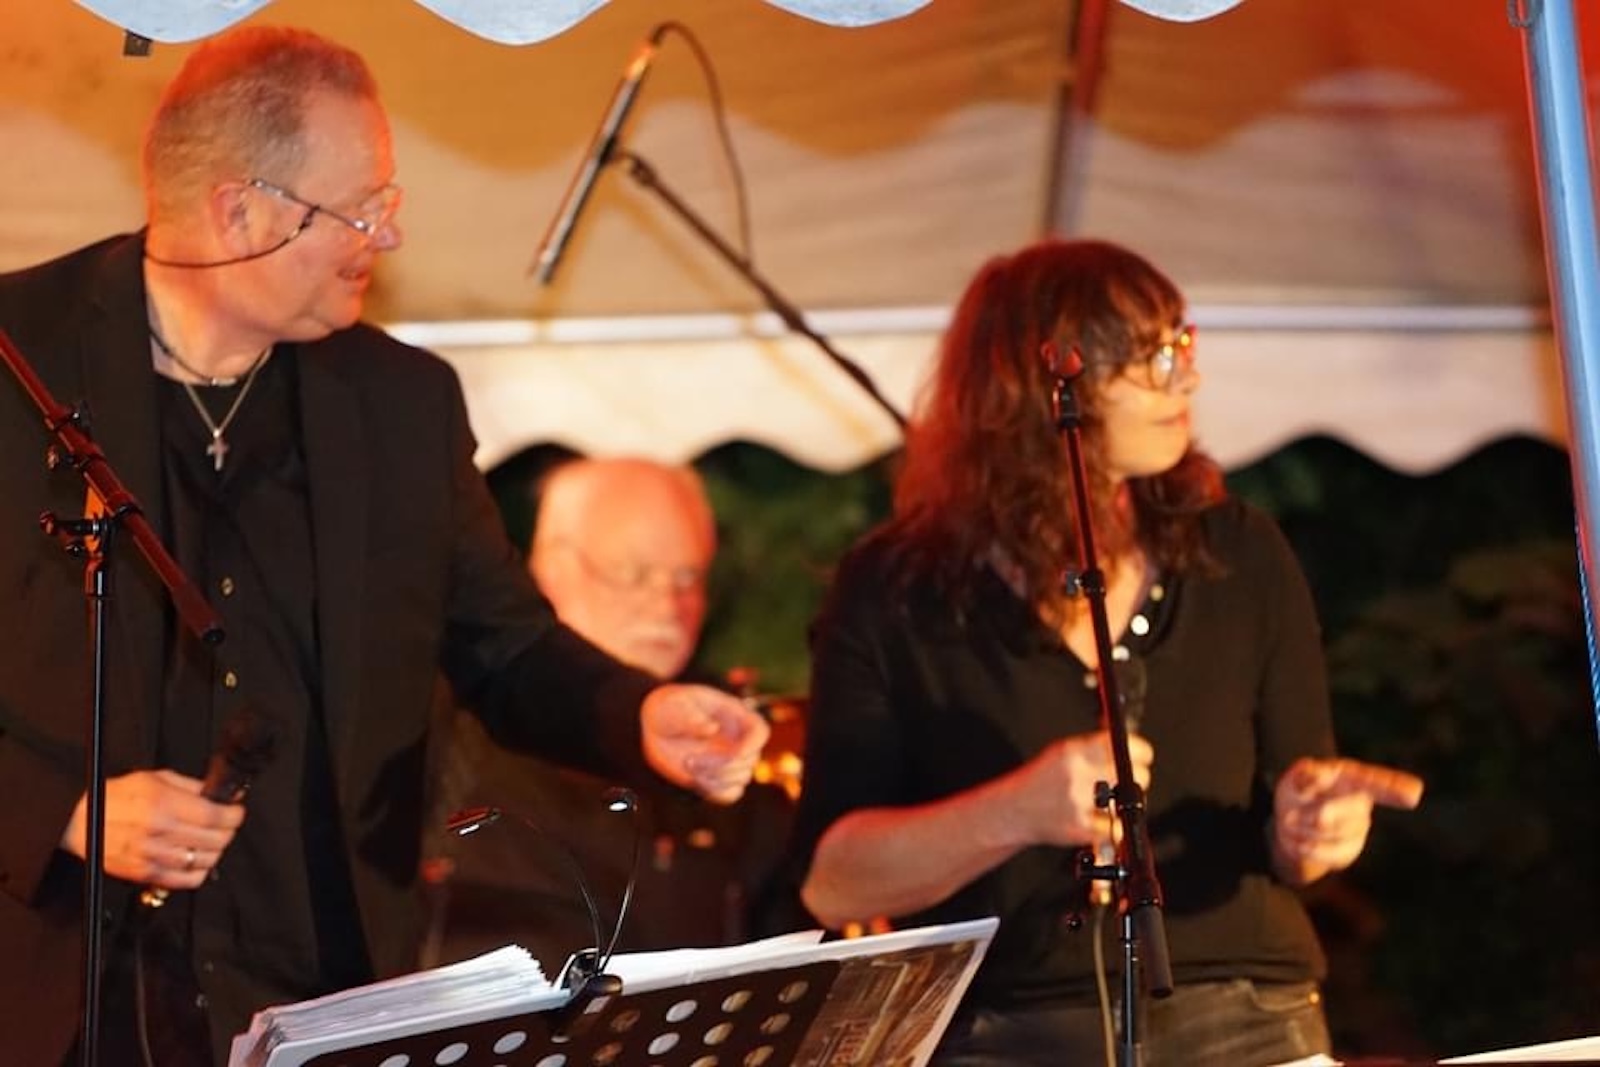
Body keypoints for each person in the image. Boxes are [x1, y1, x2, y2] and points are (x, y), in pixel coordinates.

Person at [0, 27, 767, 1067]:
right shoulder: (19, 358)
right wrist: (66, 811)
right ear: (240, 211)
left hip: (324, 1001)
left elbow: (506, 644)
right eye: (362, 208)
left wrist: (639, 713)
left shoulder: (403, 404)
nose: (389, 235)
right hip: (55, 998)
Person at [789, 239, 1418, 1066]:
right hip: (998, 1030)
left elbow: (1296, 820)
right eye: (1147, 357)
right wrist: (1012, 811)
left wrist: (1314, 829)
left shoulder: (1240, 551)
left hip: (1246, 1011)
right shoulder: (897, 585)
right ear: (1037, 383)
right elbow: (833, 881)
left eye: (1180, 344)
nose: (1184, 378)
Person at [424, 456, 798, 972]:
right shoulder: (449, 737)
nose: (667, 602)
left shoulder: (725, 739)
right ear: (552, 570)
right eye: (633, 573)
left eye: (687, 576)